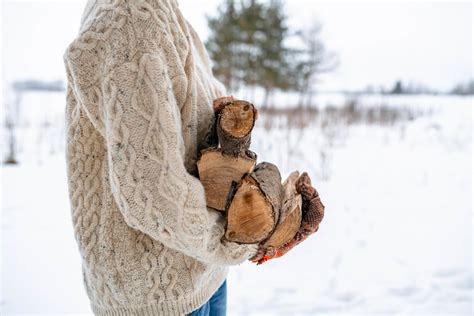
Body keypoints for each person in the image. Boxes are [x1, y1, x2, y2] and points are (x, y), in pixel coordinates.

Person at [63, 0, 324, 315]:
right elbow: (150, 193)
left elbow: (179, 131)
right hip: (157, 293)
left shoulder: (166, 13)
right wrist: (237, 240)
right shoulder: (130, 19)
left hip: (202, 274)